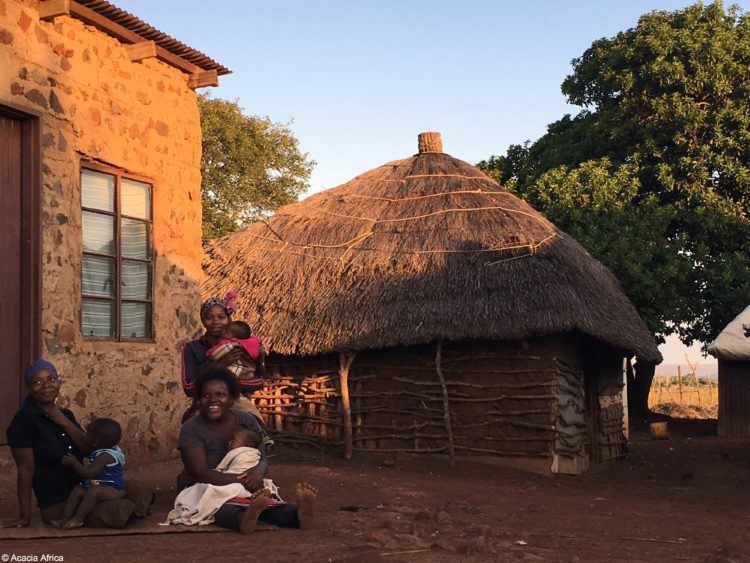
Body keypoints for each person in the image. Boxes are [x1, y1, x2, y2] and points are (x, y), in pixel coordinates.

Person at [177, 366, 316, 534]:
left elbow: (263, 457)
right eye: (206, 396)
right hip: (203, 486)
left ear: (232, 398)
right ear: (199, 399)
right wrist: (243, 481)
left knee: (262, 500)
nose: (213, 400)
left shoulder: (247, 420)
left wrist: (258, 472)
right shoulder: (191, 428)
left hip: (246, 482)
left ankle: (296, 516)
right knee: (215, 505)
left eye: (220, 395)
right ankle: (242, 519)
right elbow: (201, 473)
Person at [2, 359, 89, 527]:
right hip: (57, 503)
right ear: (29, 388)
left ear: (58, 382)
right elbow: (26, 470)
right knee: (117, 507)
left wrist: (63, 421)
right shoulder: (24, 420)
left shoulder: (66, 415)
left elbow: (87, 450)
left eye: (51, 379)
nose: (47, 385)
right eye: (38, 382)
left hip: (83, 491)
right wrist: (24, 517)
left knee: (131, 490)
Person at [51, 418, 127, 529]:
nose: (84, 435)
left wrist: (74, 463)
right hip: (98, 484)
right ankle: (66, 517)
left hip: (113, 488)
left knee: (93, 491)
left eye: (87, 434)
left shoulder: (105, 456)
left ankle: (78, 519)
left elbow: (89, 473)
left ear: (95, 442)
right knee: (78, 490)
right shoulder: (102, 450)